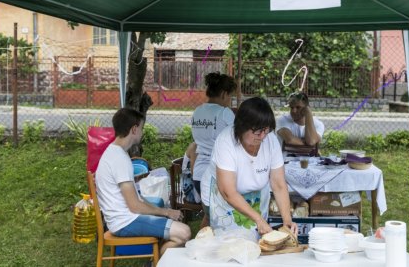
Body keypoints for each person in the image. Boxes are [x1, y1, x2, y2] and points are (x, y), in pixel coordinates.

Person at [95, 108, 191, 255]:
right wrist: (166, 212)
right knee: (184, 232)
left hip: (123, 219)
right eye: (141, 128)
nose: (142, 132)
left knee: (175, 227)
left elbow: (137, 198)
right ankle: (156, 262)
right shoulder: (119, 158)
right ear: (134, 129)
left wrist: (163, 212)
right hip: (125, 222)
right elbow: (134, 206)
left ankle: (156, 259)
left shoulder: (115, 153)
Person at [202, 97, 297, 236]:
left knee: (254, 239)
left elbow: (278, 184)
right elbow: (228, 192)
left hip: (254, 197)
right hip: (223, 198)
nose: (262, 136)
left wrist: (287, 220)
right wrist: (258, 218)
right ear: (242, 126)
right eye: (258, 131)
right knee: (225, 242)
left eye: (266, 130)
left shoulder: (270, 139)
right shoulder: (225, 141)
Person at [191, 72, 237, 226]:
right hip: (216, 173)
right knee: (221, 218)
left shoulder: (197, 111)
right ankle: (206, 246)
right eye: (230, 96)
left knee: (210, 215)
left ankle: (200, 243)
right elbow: (237, 140)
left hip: (198, 172)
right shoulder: (225, 113)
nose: (230, 101)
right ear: (224, 94)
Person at [276, 91, 325, 157]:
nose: (294, 111)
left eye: (298, 107)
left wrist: (308, 114)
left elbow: (311, 141)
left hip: (310, 163)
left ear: (306, 108)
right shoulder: (282, 120)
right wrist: (310, 146)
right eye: (291, 107)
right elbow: (290, 140)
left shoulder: (318, 124)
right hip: (286, 162)